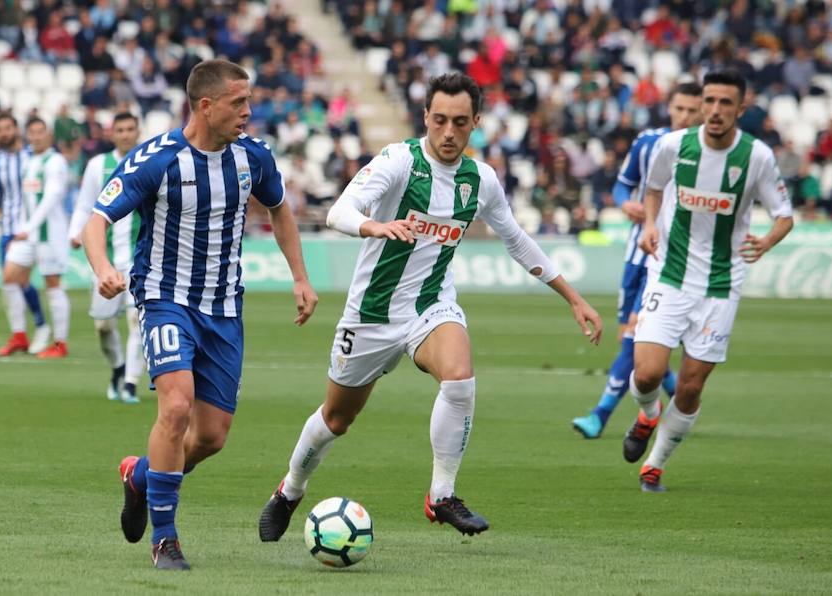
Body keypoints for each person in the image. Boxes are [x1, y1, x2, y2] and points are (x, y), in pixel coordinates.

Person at [257, 73, 602, 541]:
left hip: (431, 306)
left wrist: (575, 298)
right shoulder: (400, 161)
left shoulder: (481, 180)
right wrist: (374, 228)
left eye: (460, 122)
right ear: (425, 117)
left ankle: (441, 495)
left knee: (460, 376)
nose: (448, 132)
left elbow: (516, 239)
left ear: (476, 122)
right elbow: (340, 210)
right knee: (336, 419)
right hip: (372, 313)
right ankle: (291, 490)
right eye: (439, 120)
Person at [81, 59, 317, 570]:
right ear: (205, 106)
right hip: (165, 299)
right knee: (176, 406)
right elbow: (96, 222)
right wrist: (103, 268)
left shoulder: (253, 158)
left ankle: (140, 477)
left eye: (249, 101)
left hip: (224, 307)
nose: (249, 112)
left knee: (211, 437)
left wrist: (299, 276)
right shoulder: (157, 159)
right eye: (239, 103)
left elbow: (279, 210)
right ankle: (165, 540)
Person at [625, 71, 793, 492]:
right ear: (702, 104)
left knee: (691, 386)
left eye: (725, 103)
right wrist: (649, 224)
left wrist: (767, 241)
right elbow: (654, 188)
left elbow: (784, 215)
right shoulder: (672, 146)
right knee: (647, 374)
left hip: (721, 284)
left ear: (740, 108)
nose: (716, 110)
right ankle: (647, 414)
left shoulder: (756, 157)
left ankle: (655, 465)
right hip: (669, 273)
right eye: (710, 101)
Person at [572, 83, 703, 439]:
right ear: (670, 108)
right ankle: (681, 398)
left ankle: (599, 415)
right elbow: (622, 184)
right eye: (680, 109)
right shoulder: (649, 142)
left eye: (693, 111)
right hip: (637, 253)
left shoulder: (709, 154)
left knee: (634, 337)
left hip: (673, 259)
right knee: (630, 341)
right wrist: (624, 203)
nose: (685, 117)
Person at [68, 112, 144, 404]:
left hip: (140, 257)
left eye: (130, 129)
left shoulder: (149, 162)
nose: (125, 134)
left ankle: (130, 383)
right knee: (103, 325)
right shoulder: (98, 165)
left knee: (137, 319)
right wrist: (76, 233)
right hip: (105, 259)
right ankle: (117, 368)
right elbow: (84, 205)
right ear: (113, 134)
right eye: (120, 129)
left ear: (138, 132)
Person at [0, 113, 50, 356]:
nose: (4, 133)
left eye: (8, 128)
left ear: (16, 129)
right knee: (13, 281)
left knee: (18, 280)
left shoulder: (33, 157)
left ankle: (39, 327)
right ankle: (23, 334)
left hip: (32, 229)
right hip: (8, 229)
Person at [0, 117, 71, 359]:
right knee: (9, 277)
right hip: (27, 233)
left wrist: (28, 228)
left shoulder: (56, 161)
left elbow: (51, 198)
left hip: (49, 234)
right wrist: (20, 229)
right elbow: (25, 202)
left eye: (41, 132)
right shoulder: (28, 162)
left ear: (48, 135)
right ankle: (19, 335)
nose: (37, 136)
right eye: (32, 133)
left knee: (53, 285)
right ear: (27, 135)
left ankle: (60, 344)